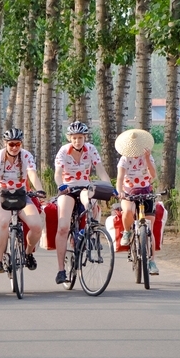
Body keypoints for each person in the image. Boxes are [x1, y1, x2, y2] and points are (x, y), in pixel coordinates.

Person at [53, 120, 113, 284]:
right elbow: (58, 173)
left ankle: (89, 232)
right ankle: (60, 270)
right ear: (69, 138)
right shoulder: (63, 151)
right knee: (63, 227)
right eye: (74, 138)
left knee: (89, 202)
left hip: (85, 187)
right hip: (68, 189)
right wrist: (61, 185)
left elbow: (100, 170)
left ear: (85, 137)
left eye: (80, 137)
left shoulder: (91, 150)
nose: (77, 141)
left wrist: (110, 187)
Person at [0, 128, 46, 273]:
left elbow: (32, 174)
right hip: (1, 195)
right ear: (5, 144)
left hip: (22, 195)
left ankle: (28, 253)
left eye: (18, 144)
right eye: (11, 144)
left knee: (36, 226)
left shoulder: (26, 156)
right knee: (4, 222)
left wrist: (40, 189)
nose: (15, 147)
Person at [115, 128, 160, 275]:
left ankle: (152, 260)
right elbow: (120, 178)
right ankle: (127, 231)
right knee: (128, 211)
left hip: (145, 191)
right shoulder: (124, 159)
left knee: (149, 227)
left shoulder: (147, 156)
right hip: (129, 192)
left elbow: (153, 175)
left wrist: (147, 159)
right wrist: (120, 191)